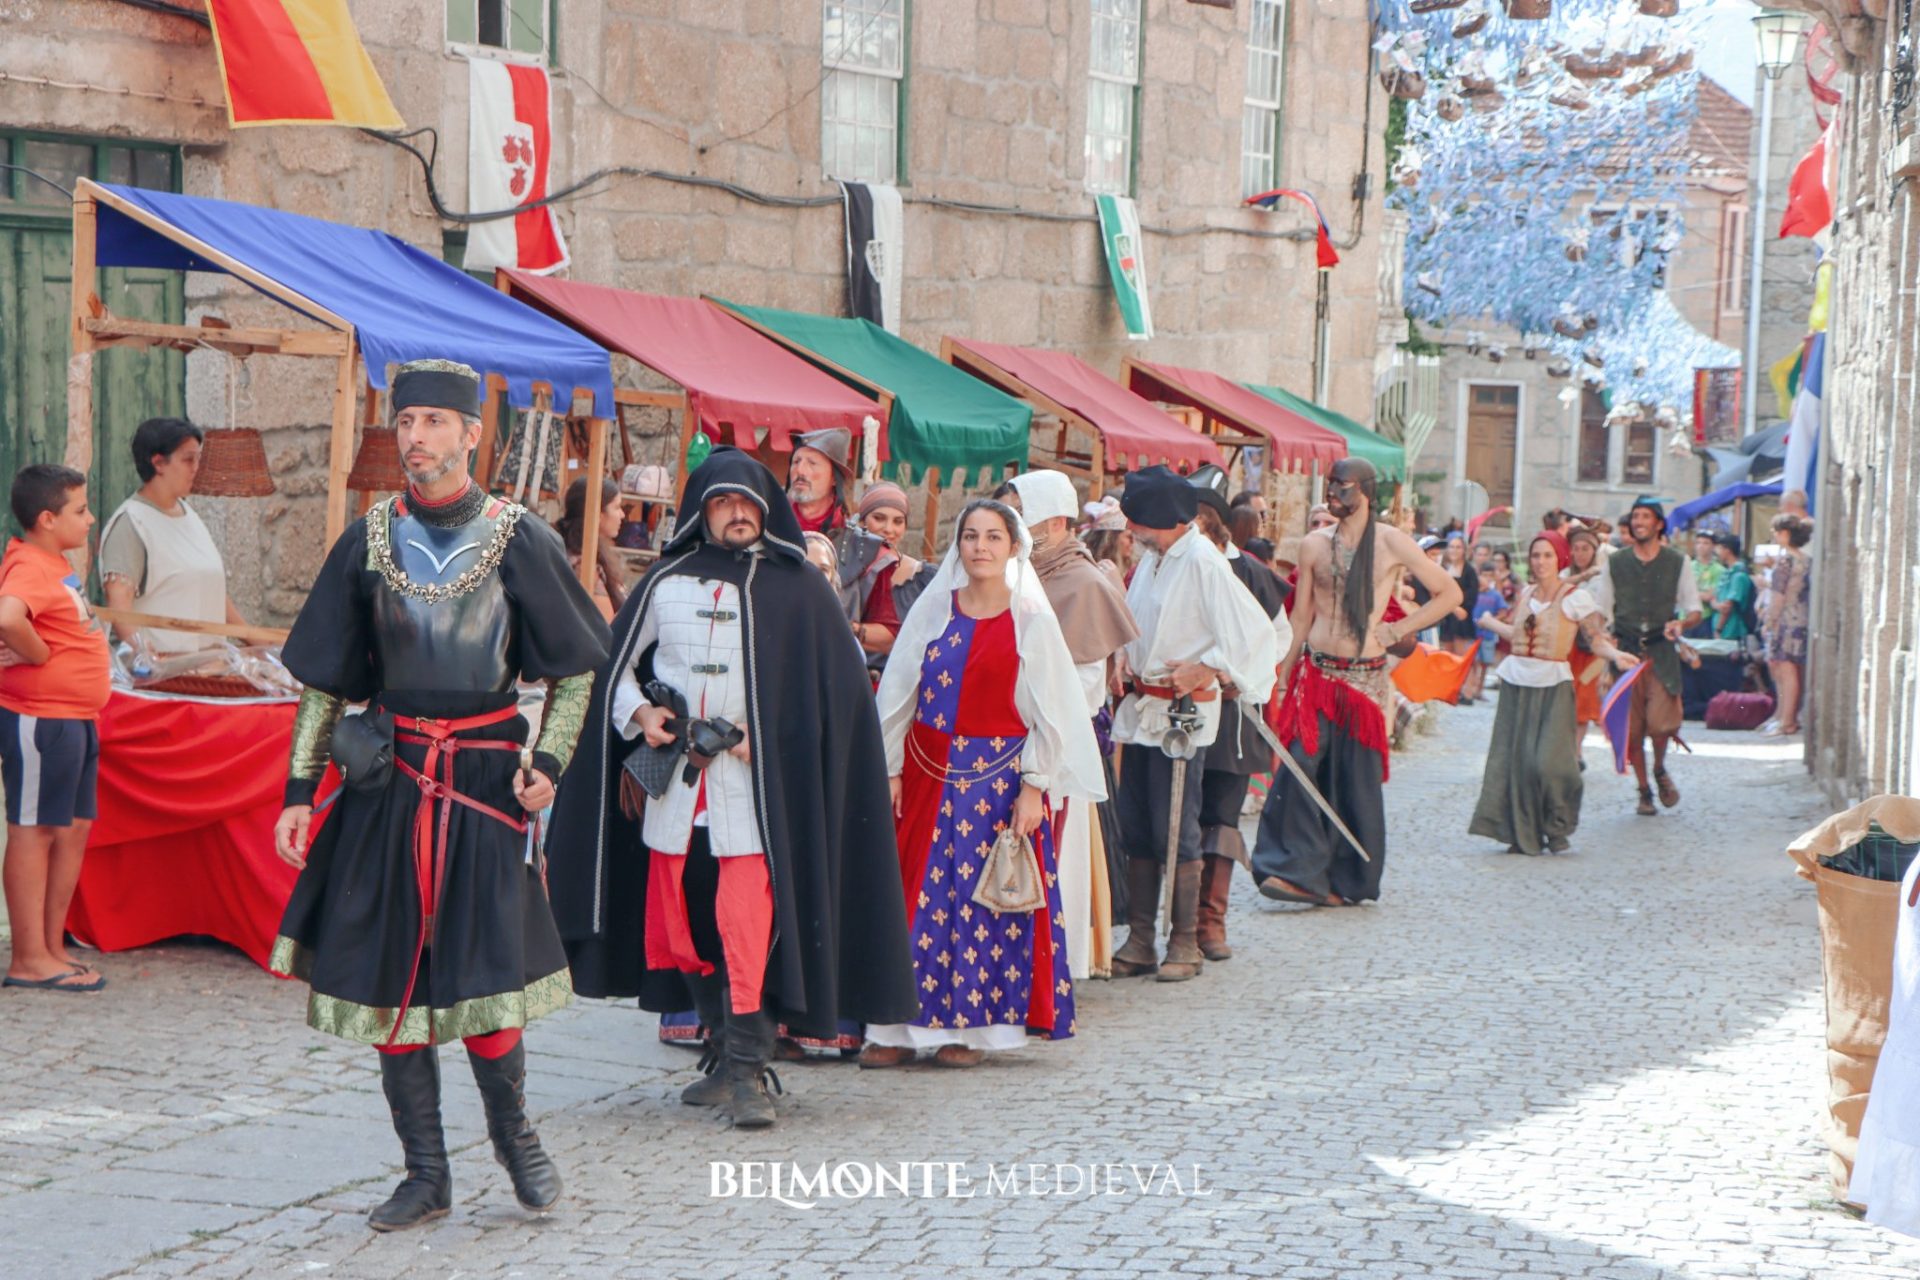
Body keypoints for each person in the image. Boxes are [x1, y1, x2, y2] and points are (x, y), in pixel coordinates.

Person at [267, 360, 611, 1231]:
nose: (414, 436)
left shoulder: (519, 536)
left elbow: (574, 673)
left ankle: (516, 1135)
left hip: (484, 786)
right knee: (392, 978)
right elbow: (324, 684)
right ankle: (426, 1174)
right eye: (405, 421)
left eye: (432, 422)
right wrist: (300, 790)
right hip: (388, 784)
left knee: (485, 966)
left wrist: (551, 767)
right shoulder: (366, 538)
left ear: (469, 435)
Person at [546, 448, 918, 1127]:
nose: (738, 514)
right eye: (723, 503)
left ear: (765, 509)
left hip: (759, 796)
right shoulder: (667, 582)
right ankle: (720, 1049)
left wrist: (766, 740)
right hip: (678, 793)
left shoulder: (798, 585)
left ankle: (749, 1066)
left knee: (745, 926)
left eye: (747, 504)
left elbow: (834, 700)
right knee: (683, 925)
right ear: (703, 511)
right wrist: (643, 714)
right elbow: (616, 670)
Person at [861, 500, 1104, 1066]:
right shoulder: (933, 612)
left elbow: (1051, 714)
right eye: (970, 536)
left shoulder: (1032, 624)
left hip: (996, 783)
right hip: (924, 773)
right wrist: (890, 767)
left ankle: (969, 1030)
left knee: (981, 906)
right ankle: (896, 1028)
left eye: (993, 537)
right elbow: (898, 693)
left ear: (1013, 547)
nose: (980, 547)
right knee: (909, 897)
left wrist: (1035, 786)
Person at [1253, 457, 1461, 907]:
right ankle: (1294, 871)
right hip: (1318, 674)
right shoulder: (1313, 545)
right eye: (1330, 486)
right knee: (1300, 766)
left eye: (1341, 487)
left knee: (1354, 782)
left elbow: (1450, 593)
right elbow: (1302, 614)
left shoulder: (1391, 543)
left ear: (1365, 492)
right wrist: (1284, 673)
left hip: (1364, 683)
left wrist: (1399, 631)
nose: (1332, 494)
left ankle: (1346, 883)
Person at [1108, 466, 1278, 981]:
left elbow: (1254, 634)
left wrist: (1208, 667)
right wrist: (1122, 656)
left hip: (1181, 716)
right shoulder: (1155, 559)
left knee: (1177, 827)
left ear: (1156, 518)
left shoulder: (1204, 560)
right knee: (1138, 827)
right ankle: (1140, 939)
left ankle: (1184, 942)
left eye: (1136, 520)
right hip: (1142, 711)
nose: (1131, 530)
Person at [1000, 470, 1138, 980]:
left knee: (1056, 861)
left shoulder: (1081, 583)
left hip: (1053, 749)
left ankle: (1047, 967)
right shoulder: (1021, 574)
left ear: (1055, 521)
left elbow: (1084, 687)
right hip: (1007, 742)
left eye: (1022, 515)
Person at [0, 465, 112, 994]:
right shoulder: (28, 565)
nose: (90, 519)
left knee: (71, 830)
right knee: (34, 831)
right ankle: (28, 958)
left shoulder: (54, 564)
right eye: (80, 510)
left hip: (76, 719)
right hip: (43, 719)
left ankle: (50, 948)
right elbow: (7, 617)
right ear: (47, 519)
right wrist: (39, 653)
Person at [1469, 533, 1634, 856]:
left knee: (1549, 762)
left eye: (1547, 556)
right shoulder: (1525, 593)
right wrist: (1489, 623)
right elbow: (1517, 634)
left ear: (1559, 559)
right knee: (1516, 761)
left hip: (1553, 685)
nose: (1540, 562)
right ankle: (1522, 831)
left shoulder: (1575, 598)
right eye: (1535, 556)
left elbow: (1595, 639)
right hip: (1517, 684)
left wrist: (1615, 657)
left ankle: (1557, 822)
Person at [1188, 470, 1290, 960]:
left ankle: (1211, 923)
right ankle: (1179, 925)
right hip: (1178, 712)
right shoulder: (1173, 567)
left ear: (1209, 522)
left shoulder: (1251, 573)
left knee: (1222, 819)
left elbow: (1278, 638)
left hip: (1232, 715)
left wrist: (1239, 674)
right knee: (1181, 816)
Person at [1589, 498, 1702, 817]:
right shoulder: (1617, 561)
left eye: (1645, 517)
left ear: (1658, 524)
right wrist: (1604, 635)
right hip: (1625, 653)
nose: (1638, 522)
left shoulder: (1677, 561)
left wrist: (1681, 623)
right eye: (1635, 516)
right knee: (1633, 728)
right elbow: (1601, 607)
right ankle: (1643, 789)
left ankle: (1660, 768)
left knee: (1661, 723)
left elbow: (1694, 608)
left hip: (1661, 652)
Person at [97, 416, 248, 652]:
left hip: (210, 669)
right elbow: (120, 609)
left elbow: (213, 591)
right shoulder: (131, 524)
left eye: (199, 458)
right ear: (158, 463)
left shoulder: (190, 515)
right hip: (165, 679)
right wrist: (153, 663)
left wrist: (259, 642)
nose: (196, 468)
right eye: (188, 459)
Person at [784, 427, 889, 624]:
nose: (800, 470)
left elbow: (890, 634)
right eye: (796, 461)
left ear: (834, 478)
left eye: (812, 463)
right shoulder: (771, 533)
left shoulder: (866, 549)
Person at [852, 481, 935, 672]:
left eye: (898, 521)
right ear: (862, 522)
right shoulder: (846, 571)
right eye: (879, 518)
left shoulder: (923, 578)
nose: (889, 529)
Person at [1761, 513, 1813, 736]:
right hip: (1800, 617)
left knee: (1785, 670)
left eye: (1777, 531)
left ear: (1785, 534)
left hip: (1785, 619)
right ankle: (1783, 716)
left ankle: (1786, 719)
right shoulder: (1804, 559)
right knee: (1790, 669)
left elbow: (1778, 596)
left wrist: (1769, 621)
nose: (1774, 535)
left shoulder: (1785, 561)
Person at [1564, 526, 1609, 756]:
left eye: (1585, 549)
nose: (1580, 554)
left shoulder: (1602, 579)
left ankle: (1576, 750)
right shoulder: (1564, 575)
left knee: (1583, 699)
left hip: (1590, 648)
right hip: (1566, 647)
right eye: (1576, 549)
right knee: (1564, 697)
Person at [557, 476, 627, 622]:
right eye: (617, 507)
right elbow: (607, 627)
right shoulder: (583, 565)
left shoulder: (568, 549)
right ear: (598, 515)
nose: (622, 515)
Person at [1438, 535, 1484, 702]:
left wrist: (1455, 604)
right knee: (1447, 656)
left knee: (1462, 657)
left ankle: (1468, 691)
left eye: (1458, 547)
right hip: (1447, 618)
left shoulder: (1469, 572)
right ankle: (1449, 690)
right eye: (1452, 547)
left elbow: (1472, 596)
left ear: (1464, 550)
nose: (1455, 550)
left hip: (1462, 619)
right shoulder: (1443, 568)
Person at [1710, 533, 1756, 643]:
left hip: (1731, 631)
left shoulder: (1738, 576)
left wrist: (1718, 629)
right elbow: (1714, 597)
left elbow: (1727, 607)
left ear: (1728, 550)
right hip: (1724, 631)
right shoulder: (1727, 573)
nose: (1717, 552)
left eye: (1719, 548)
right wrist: (1716, 604)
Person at [1689, 530, 1724, 619]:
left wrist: (1689, 594)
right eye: (1698, 543)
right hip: (1685, 616)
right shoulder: (1687, 566)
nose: (1701, 546)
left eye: (1706, 543)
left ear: (1713, 546)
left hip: (1705, 617)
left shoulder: (1719, 570)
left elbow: (1711, 596)